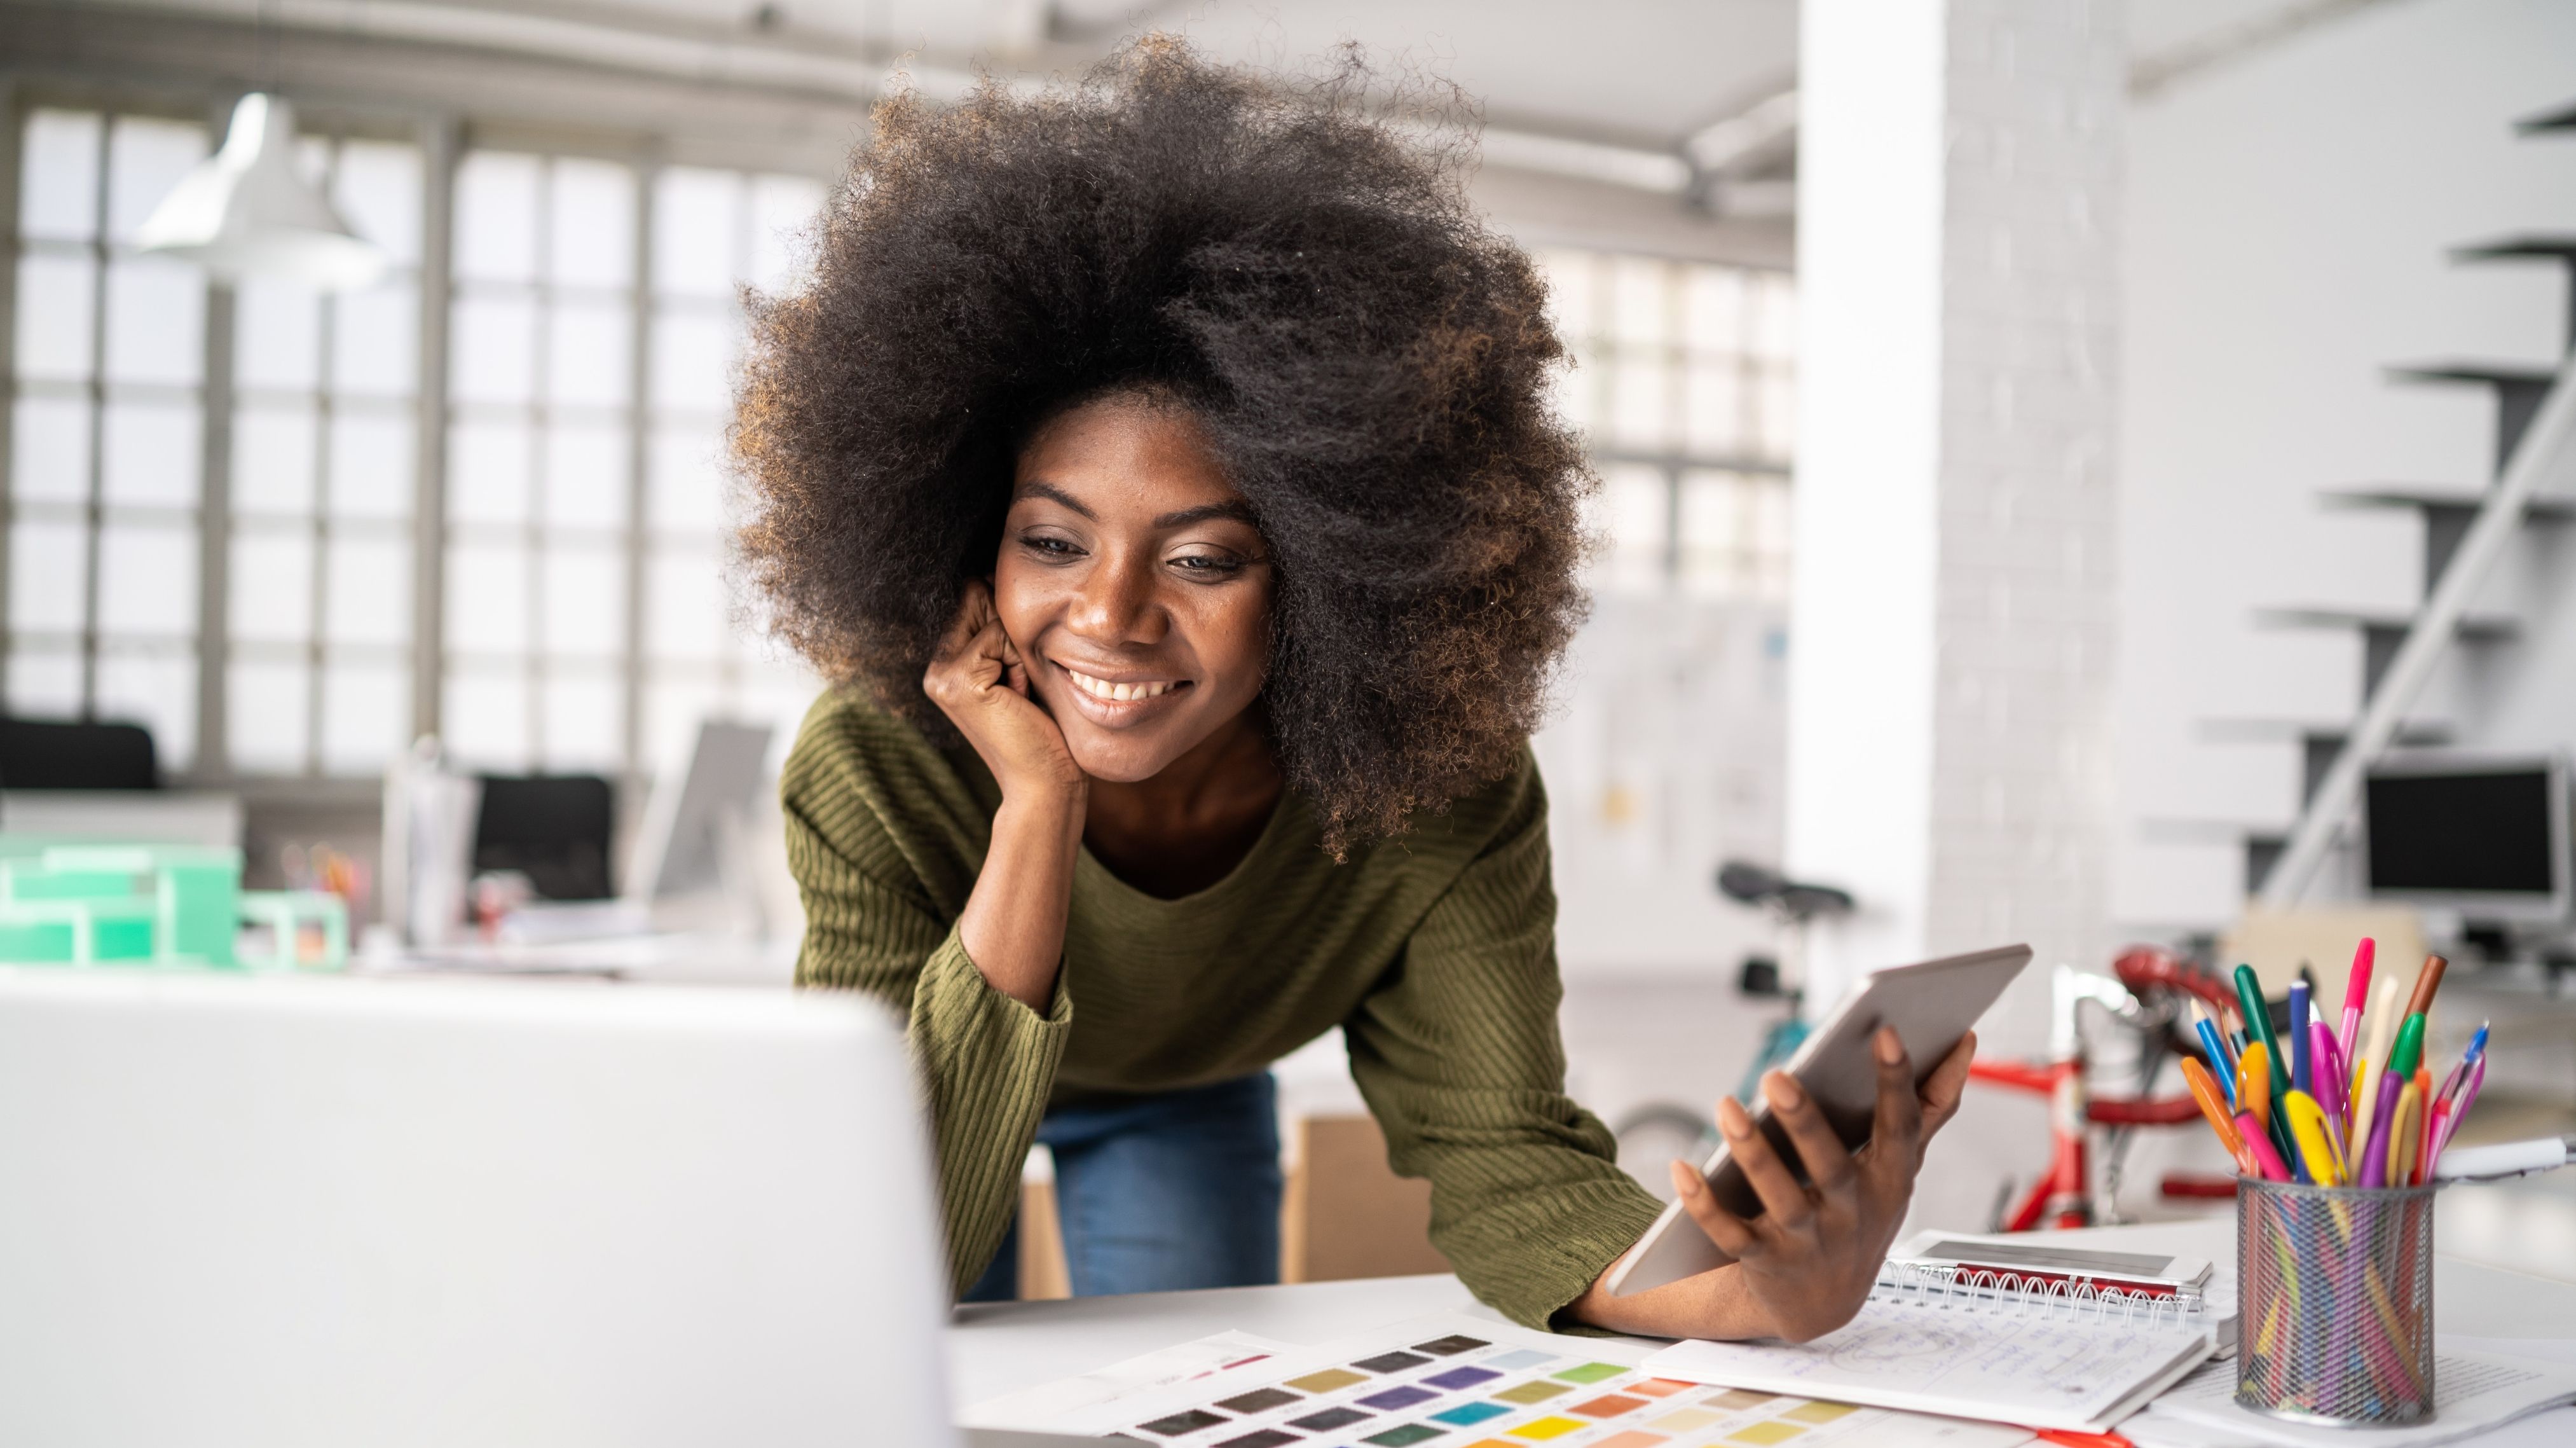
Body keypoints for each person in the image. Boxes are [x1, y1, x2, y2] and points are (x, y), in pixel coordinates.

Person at [734, 38, 1973, 1340]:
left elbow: (1507, 1156)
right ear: (967, 532)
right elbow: (881, 1230)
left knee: (1177, 1403)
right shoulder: (877, 756)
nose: (1107, 615)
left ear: (1329, 576)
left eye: (1204, 557)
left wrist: (1758, 1292)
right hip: (931, 1079)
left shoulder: (1429, 779)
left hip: (1187, 1083)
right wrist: (1035, 806)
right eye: (1052, 541)